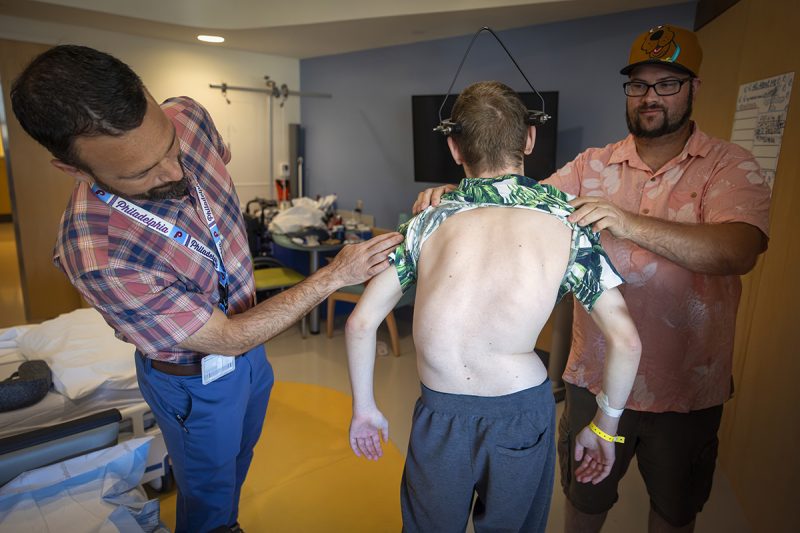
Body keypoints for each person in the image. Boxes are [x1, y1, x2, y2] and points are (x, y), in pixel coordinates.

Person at [10, 45, 402, 533]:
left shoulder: (189, 117)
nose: (175, 172)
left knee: (240, 458)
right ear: (75, 170)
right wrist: (333, 275)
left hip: (252, 353)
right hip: (194, 376)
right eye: (142, 173)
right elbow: (227, 338)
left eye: (171, 148)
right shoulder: (96, 253)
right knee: (207, 493)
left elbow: (204, 157)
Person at [413, 24, 771, 533]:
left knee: (674, 512)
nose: (650, 97)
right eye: (638, 84)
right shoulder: (591, 166)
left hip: (685, 389)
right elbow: (516, 201)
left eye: (667, 84)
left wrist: (627, 223)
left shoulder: (728, 166)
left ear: (693, 87)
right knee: (583, 502)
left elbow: (739, 250)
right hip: (594, 378)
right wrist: (459, 194)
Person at [346, 81, 641, 532]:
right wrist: (605, 426)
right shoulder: (570, 221)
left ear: (454, 148)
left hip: (441, 410)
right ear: (530, 139)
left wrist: (365, 408)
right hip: (521, 410)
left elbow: (361, 323)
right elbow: (627, 340)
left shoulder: (429, 220)